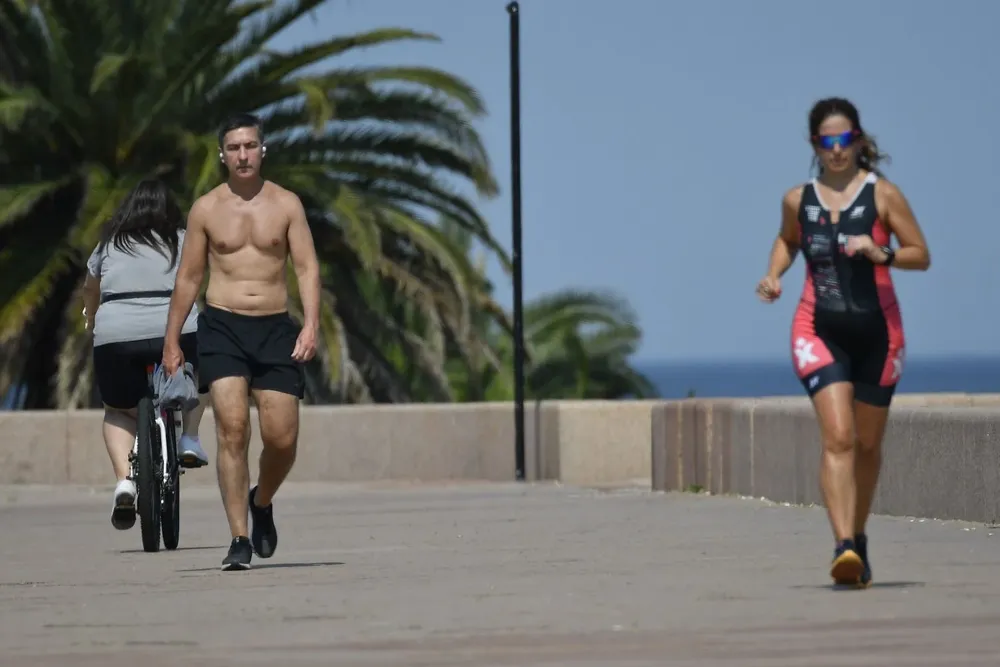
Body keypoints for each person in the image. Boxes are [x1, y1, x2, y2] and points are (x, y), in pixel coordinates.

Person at [756, 97, 931, 588]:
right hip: (818, 328)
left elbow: (921, 254)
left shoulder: (883, 196)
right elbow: (788, 239)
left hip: (880, 331)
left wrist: (883, 254)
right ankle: (843, 546)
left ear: (857, 140)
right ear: (816, 145)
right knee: (838, 437)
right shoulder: (798, 199)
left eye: (844, 140)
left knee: (868, 444)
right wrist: (773, 275)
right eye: (826, 142)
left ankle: (859, 534)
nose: (836, 150)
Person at [162, 111, 320, 571]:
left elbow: (307, 267)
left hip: (275, 328)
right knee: (231, 427)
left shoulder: (287, 204)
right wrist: (172, 340)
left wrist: (311, 324)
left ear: (262, 149)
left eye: (250, 146)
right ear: (222, 155)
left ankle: (262, 500)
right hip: (223, 325)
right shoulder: (207, 209)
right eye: (234, 148)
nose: (243, 155)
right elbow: (189, 276)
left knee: (282, 438)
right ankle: (238, 538)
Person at [82, 179, 211, 531]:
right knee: (199, 382)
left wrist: (92, 319)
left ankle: (125, 481)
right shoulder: (183, 240)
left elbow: (90, 289)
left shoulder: (109, 245)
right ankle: (189, 439)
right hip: (176, 330)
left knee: (117, 410)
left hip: (115, 335)